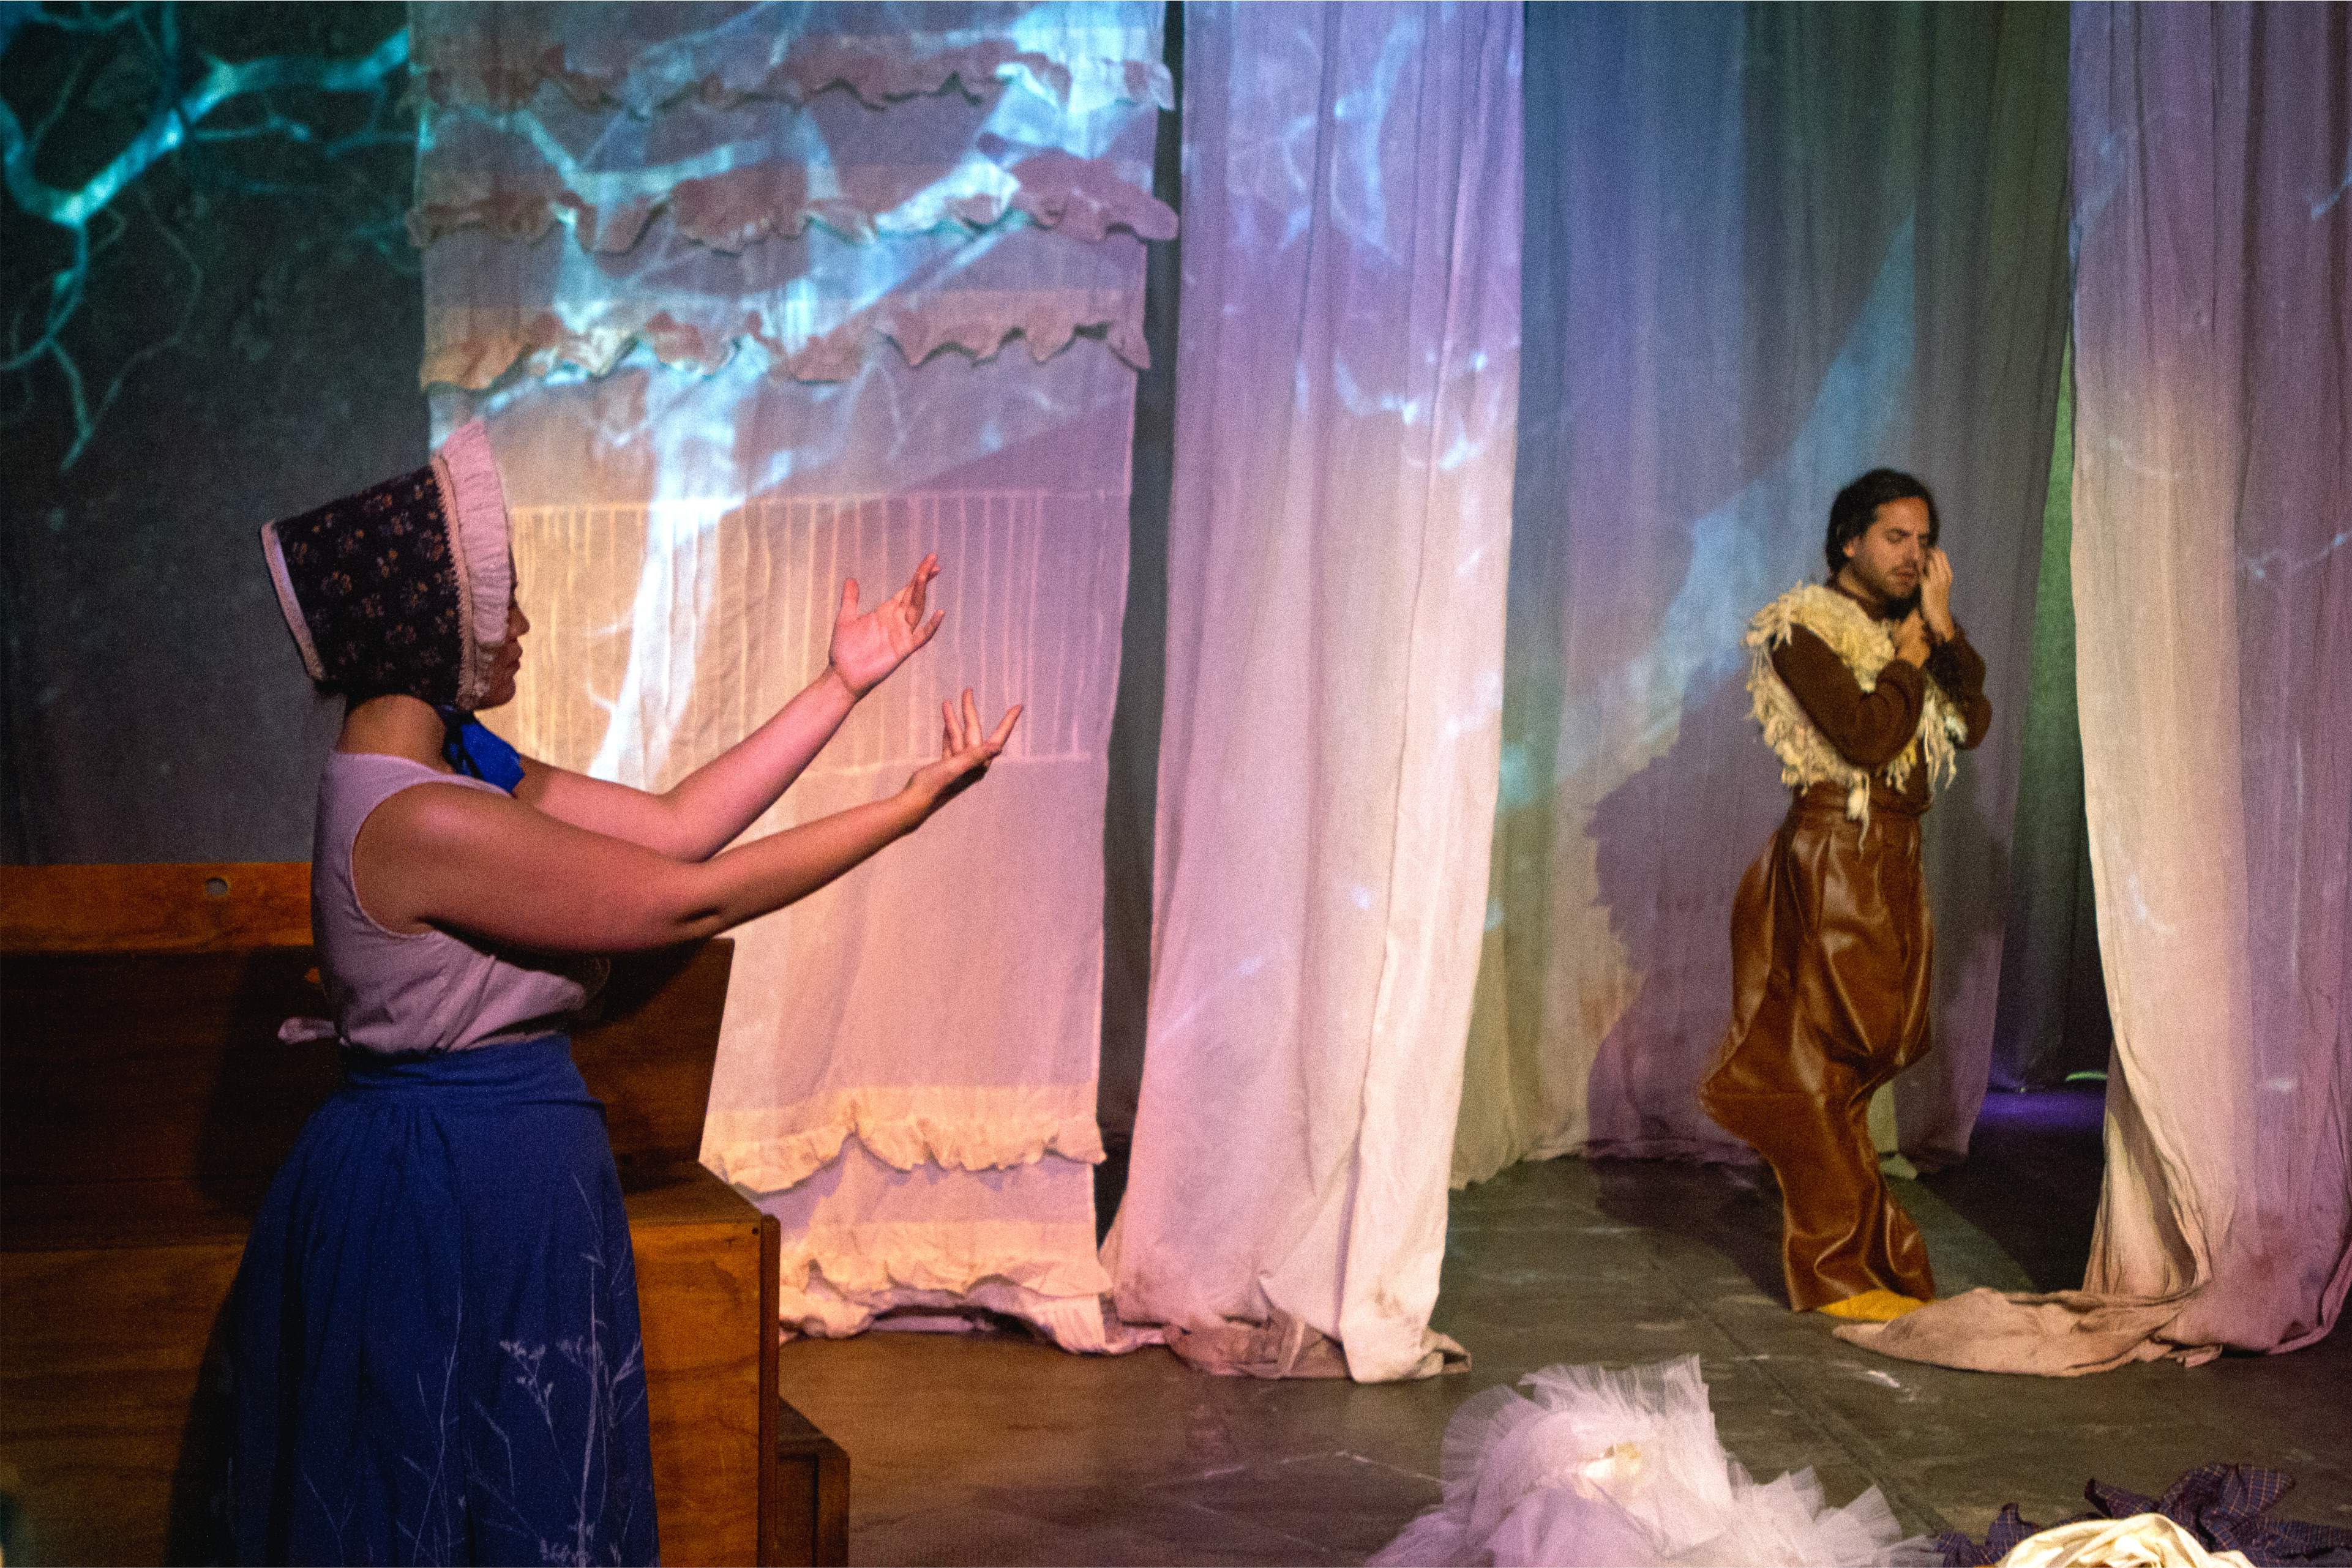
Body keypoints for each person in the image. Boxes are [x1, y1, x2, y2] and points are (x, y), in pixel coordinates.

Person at [233, 420, 1017, 1565]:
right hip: (456, 1189)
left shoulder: (444, 766)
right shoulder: (421, 815)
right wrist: (905, 806)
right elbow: (685, 900)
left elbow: (672, 825)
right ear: (431, 622)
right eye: (498, 603)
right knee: (465, 1504)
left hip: (491, 1172)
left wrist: (839, 687)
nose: (517, 626)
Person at [1698, 468, 1991, 1323]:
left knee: (1864, 1063)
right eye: (1895, 538)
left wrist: (1939, 631)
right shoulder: (1802, 626)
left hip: (1892, 856)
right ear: (1848, 541)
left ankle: (1860, 1255)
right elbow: (1865, 737)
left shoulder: (1912, 629)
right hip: (1836, 851)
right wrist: (1909, 661)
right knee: (1824, 1059)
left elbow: (1970, 720)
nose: (1914, 556)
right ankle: (1834, 1266)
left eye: (1924, 541)